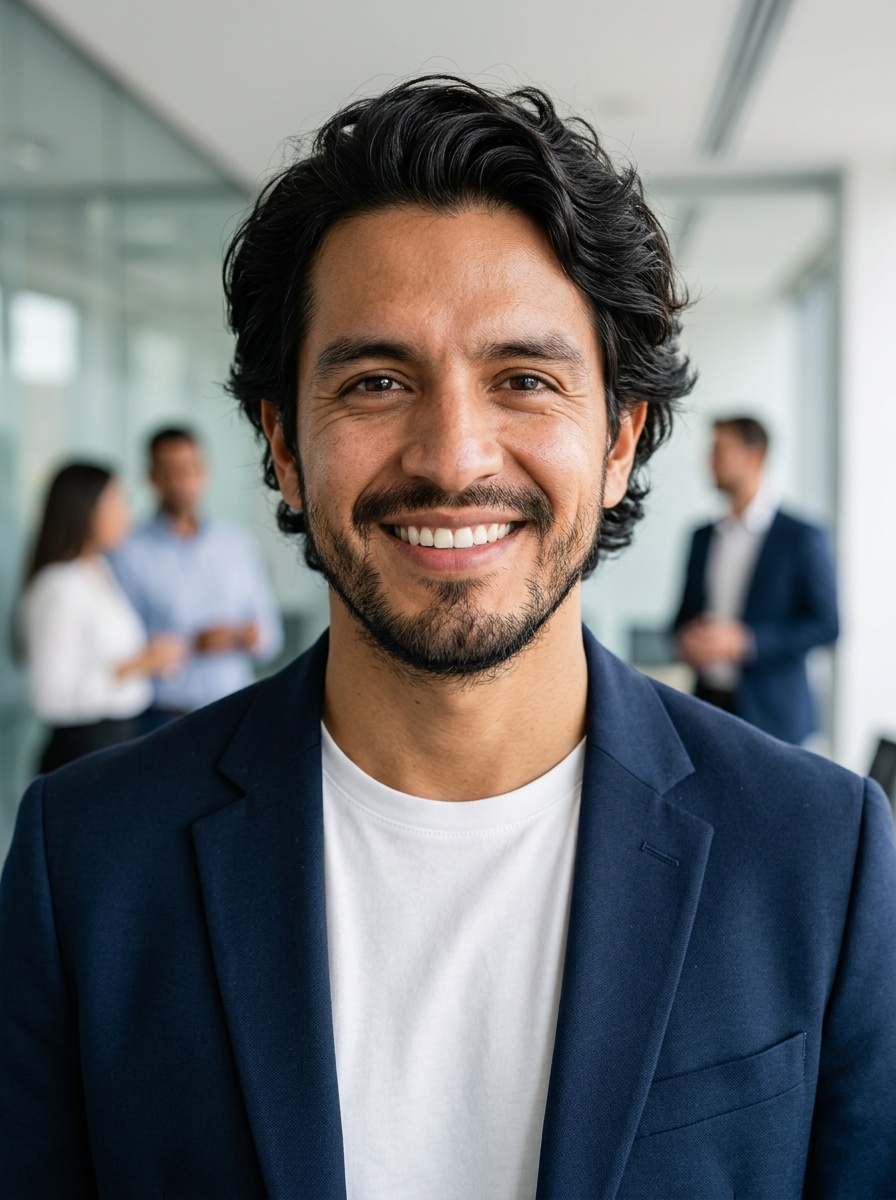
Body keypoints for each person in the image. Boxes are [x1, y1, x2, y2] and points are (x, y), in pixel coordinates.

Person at [0, 78, 894, 1198]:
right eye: (376, 381)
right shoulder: (87, 861)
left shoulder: (817, 854)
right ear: (281, 442)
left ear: (619, 440)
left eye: (522, 378)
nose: (452, 454)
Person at [673, 416, 839, 744]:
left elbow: (827, 624)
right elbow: (681, 617)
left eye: (721, 450)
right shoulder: (702, 537)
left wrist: (746, 642)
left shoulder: (801, 537)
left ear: (755, 456)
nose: (710, 462)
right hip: (706, 707)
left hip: (774, 718)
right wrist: (685, 640)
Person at [17, 462, 185, 773]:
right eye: (117, 502)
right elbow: (50, 697)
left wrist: (147, 660)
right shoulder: (59, 586)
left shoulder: (99, 571)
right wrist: (136, 664)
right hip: (81, 753)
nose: (126, 514)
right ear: (86, 510)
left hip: (117, 742)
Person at [110, 427, 283, 725]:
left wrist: (239, 636)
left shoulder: (237, 546)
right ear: (151, 476)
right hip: (162, 716)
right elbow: (119, 647)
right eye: (169, 471)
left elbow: (270, 638)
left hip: (233, 710)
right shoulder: (128, 553)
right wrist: (191, 644)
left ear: (204, 472)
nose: (181, 482)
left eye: (189, 469)